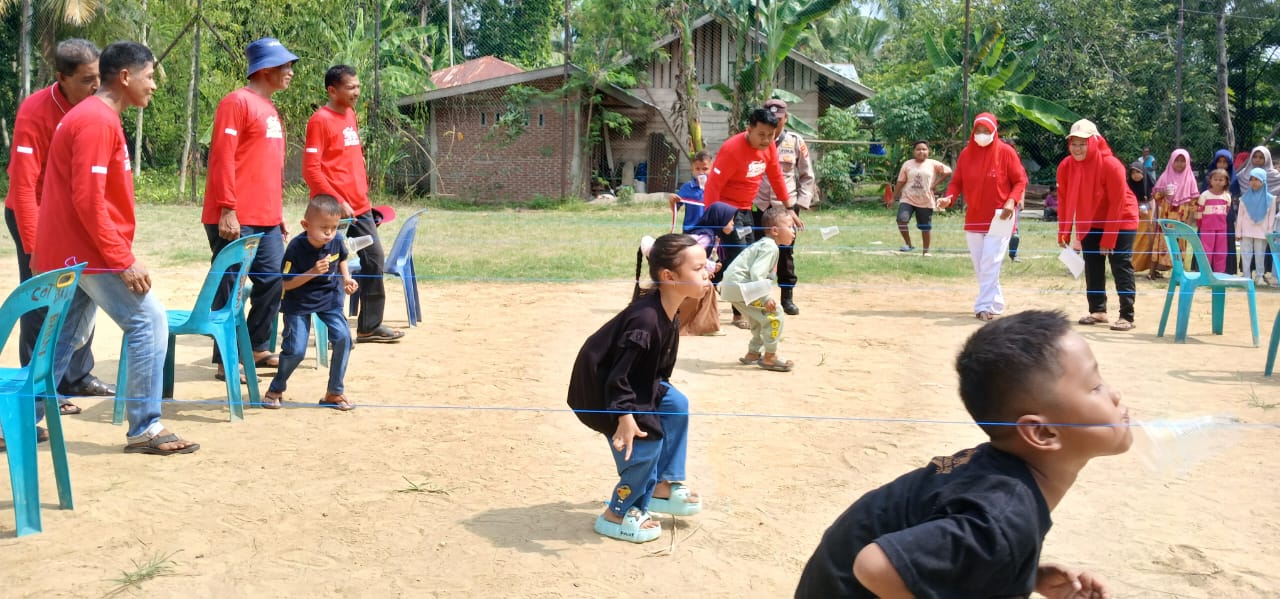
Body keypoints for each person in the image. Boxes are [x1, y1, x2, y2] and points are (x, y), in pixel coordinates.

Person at [795, 310, 1128, 598]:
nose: (1114, 394)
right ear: (1042, 432)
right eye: (1095, 386)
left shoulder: (999, 485)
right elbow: (875, 565)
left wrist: (1027, 574)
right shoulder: (1003, 515)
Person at [36, 41, 199, 455]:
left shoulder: (98, 118)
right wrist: (122, 258)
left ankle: (17, 417)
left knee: (62, 340)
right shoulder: (95, 121)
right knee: (148, 321)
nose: (155, 86)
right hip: (85, 253)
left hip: (80, 251)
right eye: (150, 77)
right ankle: (145, 427)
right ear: (125, 77)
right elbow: (87, 201)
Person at [566, 234, 708, 543]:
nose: (708, 271)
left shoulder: (670, 308)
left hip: (636, 385)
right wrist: (625, 416)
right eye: (699, 268)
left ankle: (662, 486)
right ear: (669, 277)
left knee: (676, 405)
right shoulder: (645, 320)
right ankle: (617, 513)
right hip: (602, 393)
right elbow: (618, 375)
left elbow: (650, 371)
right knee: (647, 441)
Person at [4, 39, 110, 415]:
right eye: (86, 79)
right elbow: (23, 186)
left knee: (84, 291)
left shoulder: (97, 108)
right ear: (61, 78)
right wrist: (35, 251)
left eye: (99, 76)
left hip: (72, 215)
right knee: (42, 297)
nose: (97, 86)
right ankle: (39, 385)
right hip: (33, 213)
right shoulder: (36, 111)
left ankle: (77, 376)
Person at [203, 37, 298, 381]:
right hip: (235, 217)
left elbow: (264, 166)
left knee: (272, 281)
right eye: (286, 66)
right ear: (266, 68)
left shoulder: (270, 108)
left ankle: (256, 347)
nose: (290, 72)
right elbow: (223, 158)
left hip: (267, 217)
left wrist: (278, 211)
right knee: (230, 285)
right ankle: (224, 358)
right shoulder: (236, 102)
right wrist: (228, 207)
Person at [302, 64, 404, 344]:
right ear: (332, 90)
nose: (356, 92)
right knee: (323, 265)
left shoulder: (350, 114)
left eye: (358, 86)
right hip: (332, 211)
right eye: (350, 88)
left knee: (375, 259)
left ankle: (369, 327)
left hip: (360, 207)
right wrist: (336, 201)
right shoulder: (319, 120)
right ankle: (310, 325)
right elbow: (311, 170)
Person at [702, 106, 796, 328]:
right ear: (749, 129)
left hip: (746, 209)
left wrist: (789, 207)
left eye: (770, 135)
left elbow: (775, 176)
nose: (766, 140)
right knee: (740, 258)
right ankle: (738, 313)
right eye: (761, 134)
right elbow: (713, 188)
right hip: (725, 210)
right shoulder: (732, 149)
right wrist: (719, 219)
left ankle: (705, 280)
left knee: (746, 256)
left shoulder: (770, 147)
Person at [262, 196, 359, 411]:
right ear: (306, 225)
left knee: (344, 338)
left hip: (330, 299)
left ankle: (334, 392)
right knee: (296, 350)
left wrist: (346, 280)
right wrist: (313, 272)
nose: (329, 233)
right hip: (298, 302)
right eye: (324, 227)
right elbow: (287, 284)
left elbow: (342, 258)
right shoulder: (295, 248)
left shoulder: (335, 241)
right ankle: (276, 388)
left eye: (334, 227)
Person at [940, 113, 1028, 321]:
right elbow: (957, 182)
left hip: (1001, 216)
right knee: (981, 264)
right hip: (975, 217)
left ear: (995, 131)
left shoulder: (1006, 153)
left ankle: (983, 306)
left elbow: (1020, 181)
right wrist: (948, 198)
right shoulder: (966, 154)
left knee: (991, 260)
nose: (982, 135)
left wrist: (1010, 202)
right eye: (978, 131)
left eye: (986, 131)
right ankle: (996, 302)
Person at [1056, 120, 1139, 332]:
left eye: (1083, 143)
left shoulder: (1111, 164)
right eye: (1074, 143)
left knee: (1120, 263)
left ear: (1094, 141)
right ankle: (1098, 310)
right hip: (1090, 218)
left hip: (1121, 218)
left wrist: (1109, 238)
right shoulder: (1066, 166)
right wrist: (1064, 232)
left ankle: (1126, 315)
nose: (1077, 148)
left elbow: (1117, 203)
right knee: (1092, 263)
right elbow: (1065, 200)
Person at [753, 98, 815, 315]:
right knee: (756, 252)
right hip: (758, 205)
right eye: (771, 119)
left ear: (785, 118)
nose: (775, 123)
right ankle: (757, 299)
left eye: (779, 119)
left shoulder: (795, 142)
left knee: (785, 253)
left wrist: (800, 204)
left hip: (786, 206)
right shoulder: (755, 141)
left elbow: (807, 176)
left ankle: (787, 298)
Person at [722, 206, 797, 372]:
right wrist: (765, 298)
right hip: (742, 287)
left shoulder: (764, 244)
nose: (794, 231)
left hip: (731, 288)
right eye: (790, 227)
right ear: (776, 230)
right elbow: (757, 274)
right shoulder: (770, 246)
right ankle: (770, 356)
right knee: (775, 313)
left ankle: (753, 353)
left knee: (758, 317)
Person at [675, 201, 736, 336]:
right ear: (720, 219)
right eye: (730, 220)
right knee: (708, 289)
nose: (733, 224)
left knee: (707, 289)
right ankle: (708, 326)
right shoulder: (706, 237)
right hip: (682, 272)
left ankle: (705, 324)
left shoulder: (711, 235)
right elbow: (690, 255)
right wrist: (709, 267)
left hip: (685, 271)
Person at [892, 139, 952, 257]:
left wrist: (935, 184)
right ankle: (908, 244)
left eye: (924, 149)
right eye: (918, 149)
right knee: (901, 220)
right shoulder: (907, 164)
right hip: (908, 198)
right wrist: (893, 197)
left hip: (925, 200)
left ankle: (926, 251)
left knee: (925, 227)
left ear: (928, 151)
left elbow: (948, 171)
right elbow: (900, 182)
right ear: (914, 151)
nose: (921, 152)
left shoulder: (933, 164)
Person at [1152, 149, 1200, 272]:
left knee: (1180, 241)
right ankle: (1157, 268)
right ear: (1171, 161)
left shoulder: (1190, 179)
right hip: (1167, 216)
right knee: (1165, 240)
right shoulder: (1165, 176)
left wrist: (1190, 220)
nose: (1179, 164)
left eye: (1182, 161)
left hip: (1182, 217)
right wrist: (1163, 192)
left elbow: (1194, 202)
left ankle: (1179, 270)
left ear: (1188, 162)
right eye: (1176, 161)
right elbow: (1156, 196)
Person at [1237, 168, 1277, 286]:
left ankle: (1259, 277)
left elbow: (1271, 217)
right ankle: (1246, 276)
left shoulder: (1271, 199)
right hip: (1246, 231)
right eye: (1251, 179)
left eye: (1257, 179)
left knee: (1260, 255)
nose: (1253, 182)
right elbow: (1239, 217)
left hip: (1262, 232)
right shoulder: (1244, 198)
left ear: (1263, 181)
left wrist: (1269, 233)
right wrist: (1238, 233)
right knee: (1245, 254)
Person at [1204, 149, 1240, 274]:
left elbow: (1234, 195)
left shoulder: (1234, 179)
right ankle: (1205, 269)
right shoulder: (1208, 176)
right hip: (1208, 218)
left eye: (1225, 162)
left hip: (1225, 216)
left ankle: (1226, 269)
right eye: (1219, 161)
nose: (1222, 165)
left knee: (1224, 244)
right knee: (1207, 244)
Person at [1128, 160, 1162, 276]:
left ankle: (1152, 269)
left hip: (1149, 217)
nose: (1135, 175)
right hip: (1135, 217)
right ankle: (1133, 266)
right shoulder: (1129, 186)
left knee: (1149, 243)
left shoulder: (1150, 185)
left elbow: (1153, 201)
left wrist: (1150, 217)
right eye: (1132, 173)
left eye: (1138, 172)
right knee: (1136, 243)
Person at [1195, 169, 1232, 273]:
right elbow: (1199, 211)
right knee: (1206, 251)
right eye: (1215, 179)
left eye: (1221, 179)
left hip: (1221, 228)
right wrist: (1200, 225)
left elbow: (1227, 210)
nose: (1218, 182)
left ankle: (1219, 273)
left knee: (1221, 251)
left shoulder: (1227, 196)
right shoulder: (1204, 195)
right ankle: (1205, 273)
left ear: (1226, 182)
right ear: (1210, 180)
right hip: (1207, 228)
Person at [667, 150, 713, 233]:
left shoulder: (716, 187)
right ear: (692, 169)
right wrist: (671, 200)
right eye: (697, 169)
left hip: (710, 231)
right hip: (690, 231)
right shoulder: (687, 188)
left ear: (712, 169)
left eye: (705, 169)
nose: (701, 172)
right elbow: (675, 208)